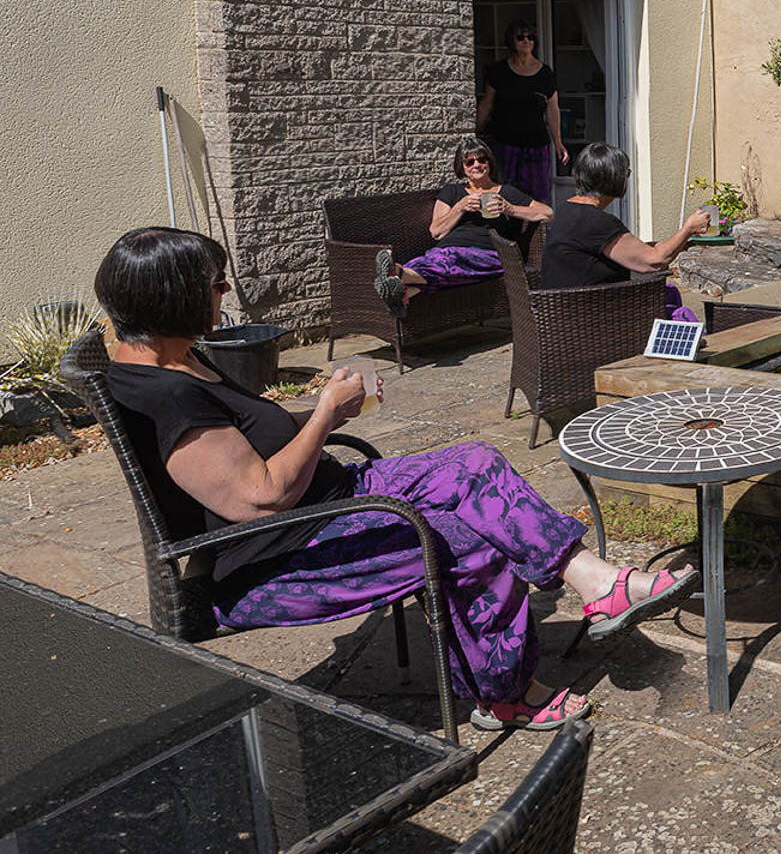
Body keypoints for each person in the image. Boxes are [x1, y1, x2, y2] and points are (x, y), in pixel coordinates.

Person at [97, 227, 698, 731]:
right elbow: (261, 499)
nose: (225, 291)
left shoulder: (176, 356)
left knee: (475, 464)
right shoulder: (167, 395)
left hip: (328, 502)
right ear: (173, 296)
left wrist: (322, 415)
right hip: (280, 558)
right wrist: (324, 415)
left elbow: (246, 443)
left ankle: (596, 582)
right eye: (214, 284)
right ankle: (506, 694)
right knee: (469, 538)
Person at [374, 137, 551, 310]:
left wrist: (510, 209)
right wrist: (460, 207)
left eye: (481, 159)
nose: (477, 165)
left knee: (448, 260)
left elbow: (547, 212)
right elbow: (436, 232)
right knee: (437, 261)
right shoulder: (452, 192)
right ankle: (400, 295)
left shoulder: (506, 192)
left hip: (488, 255)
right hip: (445, 252)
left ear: (489, 162)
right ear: (462, 167)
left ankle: (398, 273)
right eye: (469, 162)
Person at [543, 142, 707, 323]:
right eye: (626, 174)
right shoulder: (595, 221)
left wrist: (664, 246)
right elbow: (654, 262)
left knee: (670, 294)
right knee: (677, 310)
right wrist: (689, 229)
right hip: (594, 319)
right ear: (613, 178)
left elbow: (608, 251)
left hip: (562, 313)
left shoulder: (567, 210)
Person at [478, 21, 567, 205]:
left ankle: (538, 225)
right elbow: (486, 104)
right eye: (520, 37)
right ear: (512, 41)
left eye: (530, 37)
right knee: (502, 193)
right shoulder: (498, 71)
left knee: (538, 196)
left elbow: (552, 109)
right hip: (504, 144)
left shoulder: (545, 74)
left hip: (536, 145)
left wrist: (558, 142)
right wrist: (474, 133)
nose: (526, 41)